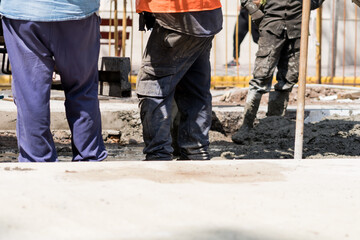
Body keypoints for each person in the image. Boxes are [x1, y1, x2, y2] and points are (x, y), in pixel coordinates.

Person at [0, 0, 108, 162]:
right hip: (76, 12)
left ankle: (38, 162)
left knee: (30, 93)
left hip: (23, 11)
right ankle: (89, 158)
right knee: (82, 89)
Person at [136, 0, 223, 160]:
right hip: (207, 14)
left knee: (153, 85)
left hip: (175, 17)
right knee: (194, 87)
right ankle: (195, 151)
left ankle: (158, 155)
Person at [232, 0, 324, 144]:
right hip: (271, 28)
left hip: (297, 30)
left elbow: (314, 3)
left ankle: (272, 126)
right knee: (260, 78)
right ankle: (246, 126)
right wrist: (255, 13)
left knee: (287, 80)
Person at [226, 1, 260, 67]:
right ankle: (235, 60)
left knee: (257, 38)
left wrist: (248, 2)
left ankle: (269, 57)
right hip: (243, 13)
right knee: (237, 35)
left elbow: (259, 1)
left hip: (253, 12)